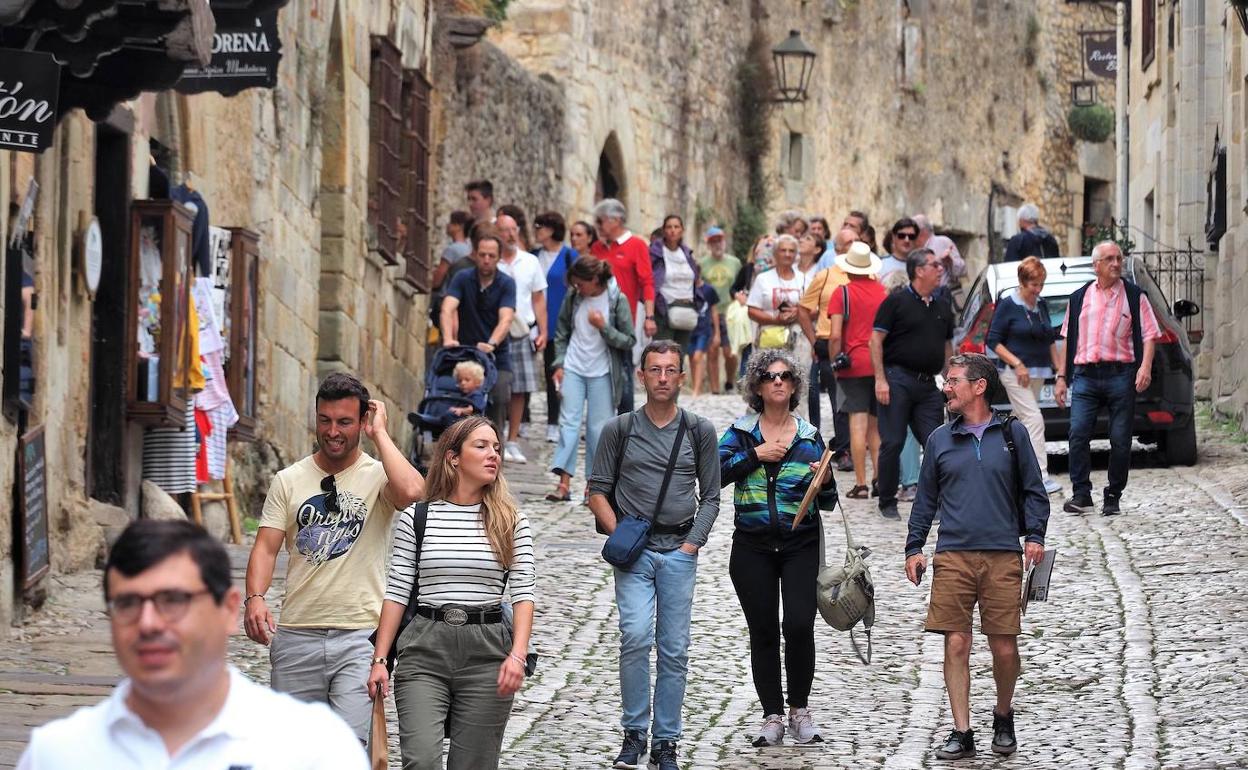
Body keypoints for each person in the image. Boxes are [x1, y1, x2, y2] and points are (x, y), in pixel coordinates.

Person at [19, 520, 368, 769]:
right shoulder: (57, 753)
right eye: (127, 604)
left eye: (173, 600)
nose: (148, 623)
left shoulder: (311, 748)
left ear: (228, 609)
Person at [242, 372, 424, 742]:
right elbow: (265, 547)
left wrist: (382, 435)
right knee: (293, 754)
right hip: (296, 635)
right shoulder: (289, 480)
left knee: (350, 749)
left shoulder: (377, 476)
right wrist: (255, 599)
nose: (333, 431)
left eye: (344, 422)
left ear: (361, 422)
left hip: (360, 637)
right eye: (325, 420)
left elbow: (412, 492)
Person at [367, 416, 535, 770]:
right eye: (482, 446)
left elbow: (523, 592)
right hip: (425, 649)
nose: (494, 455)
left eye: (497, 448)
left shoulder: (511, 520)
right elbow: (397, 590)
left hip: (487, 652)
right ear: (453, 457)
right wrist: (381, 660)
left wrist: (517, 655)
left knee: (473, 764)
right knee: (421, 760)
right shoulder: (417, 517)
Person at [904, 353, 1050, 760]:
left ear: (979, 386)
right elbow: (926, 499)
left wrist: (1034, 535)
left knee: (1004, 646)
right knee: (956, 643)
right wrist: (914, 547)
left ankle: (1003, 715)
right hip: (952, 554)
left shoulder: (1012, 434)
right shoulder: (938, 440)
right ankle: (962, 730)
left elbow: (1034, 491)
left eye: (953, 381)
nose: (946, 388)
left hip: (1003, 553)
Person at [588, 341, 720, 770]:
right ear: (641, 376)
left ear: (681, 377)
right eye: (655, 370)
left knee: (675, 649)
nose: (663, 378)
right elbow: (597, 492)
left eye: (670, 370)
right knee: (636, 636)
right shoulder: (619, 429)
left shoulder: (699, 430)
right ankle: (633, 733)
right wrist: (623, 536)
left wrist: (691, 545)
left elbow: (713, 497)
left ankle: (666, 741)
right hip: (636, 555)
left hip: (679, 551)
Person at [718, 349, 837, 748]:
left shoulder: (808, 436)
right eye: (770, 376)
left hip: (799, 544)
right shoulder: (738, 434)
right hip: (751, 547)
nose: (778, 381)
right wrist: (755, 455)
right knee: (764, 630)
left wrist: (822, 478)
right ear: (757, 385)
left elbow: (828, 501)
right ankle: (772, 715)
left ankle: (800, 710)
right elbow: (712, 475)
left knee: (800, 625)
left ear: (795, 385)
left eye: (786, 376)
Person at [1055, 240, 1161, 516]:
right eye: (1110, 259)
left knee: (1120, 439)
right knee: (1077, 434)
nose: (1116, 263)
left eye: (1119, 258)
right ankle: (1081, 494)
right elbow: (1067, 339)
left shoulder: (1134, 296)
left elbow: (1150, 334)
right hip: (1086, 376)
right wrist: (1061, 376)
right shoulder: (1079, 298)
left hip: (1120, 375)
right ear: (1096, 265)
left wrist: (1145, 367)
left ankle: (1113, 495)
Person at [870, 247, 955, 519]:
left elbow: (947, 346)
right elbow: (875, 341)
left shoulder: (942, 304)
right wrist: (880, 380)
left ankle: (942, 502)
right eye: (934, 265)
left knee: (938, 442)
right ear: (919, 271)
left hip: (928, 385)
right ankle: (887, 500)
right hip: (897, 380)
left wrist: (951, 379)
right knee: (893, 441)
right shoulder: (895, 302)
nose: (940, 269)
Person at [547, 256, 636, 502]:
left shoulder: (617, 299)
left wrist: (603, 327)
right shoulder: (574, 297)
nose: (578, 288)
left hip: (604, 372)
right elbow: (562, 331)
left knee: (599, 430)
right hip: (574, 366)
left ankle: (593, 488)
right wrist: (559, 363)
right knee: (568, 424)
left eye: (581, 283)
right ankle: (563, 484)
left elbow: (628, 340)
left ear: (595, 280)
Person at [986, 257, 1063, 495]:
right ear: (1022, 282)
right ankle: (1040, 476)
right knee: (1034, 419)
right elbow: (993, 341)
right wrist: (1017, 364)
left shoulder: (1041, 306)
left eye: (1041, 284)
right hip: (1014, 373)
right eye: (1033, 285)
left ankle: (1001, 467)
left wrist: (1059, 372)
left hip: (1038, 372)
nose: (1037, 290)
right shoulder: (1008, 305)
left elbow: (1050, 339)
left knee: (1018, 423)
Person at [826, 242, 887, 498]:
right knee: (876, 428)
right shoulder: (883, 292)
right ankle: (878, 480)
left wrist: (834, 361)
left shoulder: (842, 294)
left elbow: (835, 336)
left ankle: (860, 483)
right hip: (878, 364)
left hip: (853, 366)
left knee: (857, 425)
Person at [440, 226, 517, 430]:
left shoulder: (506, 283)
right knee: (453, 394)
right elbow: (448, 308)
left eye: (491, 255)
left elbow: (506, 318)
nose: (486, 259)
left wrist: (492, 343)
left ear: (499, 257)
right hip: (466, 352)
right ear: (475, 254)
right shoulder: (463, 278)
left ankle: (495, 447)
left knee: (499, 397)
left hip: (495, 354)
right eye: (482, 254)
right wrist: (448, 338)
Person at [591, 198, 655, 414]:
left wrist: (649, 316)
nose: (598, 226)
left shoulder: (636, 245)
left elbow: (647, 282)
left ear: (615, 220)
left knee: (625, 368)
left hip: (625, 317)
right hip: (598, 316)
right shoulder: (597, 248)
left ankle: (625, 418)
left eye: (601, 221)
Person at [495, 212, 548, 464]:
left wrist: (544, 331)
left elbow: (538, 298)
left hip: (522, 330)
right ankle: (494, 437)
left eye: (514, 229)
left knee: (520, 390)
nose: (510, 234)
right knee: (497, 388)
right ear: (496, 233)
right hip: (495, 330)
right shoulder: (492, 262)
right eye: (505, 230)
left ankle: (513, 439)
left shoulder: (530, 262)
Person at [534, 211, 578, 444]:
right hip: (532, 320)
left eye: (540, 226)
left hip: (558, 323)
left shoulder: (570, 256)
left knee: (554, 373)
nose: (536, 230)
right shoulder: (532, 255)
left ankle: (554, 421)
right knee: (527, 373)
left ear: (552, 229)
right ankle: (523, 420)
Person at [698, 226, 742, 393]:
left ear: (724, 241)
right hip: (709, 312)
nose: (717, 244)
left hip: (730, 312)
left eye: (720, 240)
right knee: (712, 351)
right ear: (709, 244)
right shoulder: (702, 264)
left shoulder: (735, 263)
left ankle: (729, 382)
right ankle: (715, 389)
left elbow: (740, 285)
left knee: (730, 352)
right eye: (713, 241)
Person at [649, 215, 702, 351]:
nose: (673, 230)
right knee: (662, 354)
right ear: (664, 230)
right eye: (669, 227)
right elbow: (650, 280)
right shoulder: (655, 252)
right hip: (664, 308)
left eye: (676, 227)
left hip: (687, 307)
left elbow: (695, 279)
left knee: (679, 355)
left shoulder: (687, 254)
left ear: (682, 230)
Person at [687, 279, 721, 397]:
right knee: (691, 358)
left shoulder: (709, 289)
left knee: (698, 357)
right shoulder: (687, 288)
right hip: (689, 328)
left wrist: (717, 332)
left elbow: (714, 311)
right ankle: (697, 387)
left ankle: (696, 389)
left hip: (704, 329)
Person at [432, 210, 474, 291]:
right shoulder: (469, 248)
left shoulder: (451, 250)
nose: (448, 225)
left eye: (451, 223)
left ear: (460, 226)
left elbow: (437, 281)